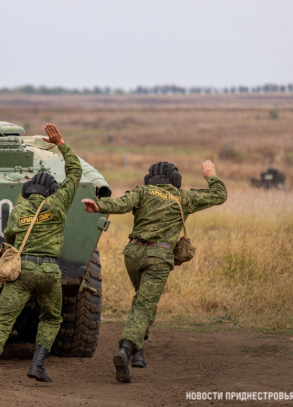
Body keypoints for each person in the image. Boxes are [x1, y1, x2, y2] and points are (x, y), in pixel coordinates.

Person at [81, 160, 227, 383]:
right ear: (175, 179)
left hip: (132, 254)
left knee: (143, 301)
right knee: (144, 307)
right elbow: (219, 195)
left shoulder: (142, 192)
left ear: (150, 178)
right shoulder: (184, 197)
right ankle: (126, 349)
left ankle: (138, 353)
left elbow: (121, 204)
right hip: (158, 258)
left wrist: (99, 206)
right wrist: (211, 176)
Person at [0, 124, 83, 389]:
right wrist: (61, 143)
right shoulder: (58, 203)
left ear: (28, 190)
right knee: (51, 318)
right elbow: (76, 171)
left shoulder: (19, 211)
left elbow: (9, 237)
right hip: (50, 272)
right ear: (51, 191)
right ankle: (37, 365)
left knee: (2, 320)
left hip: (22, 272)